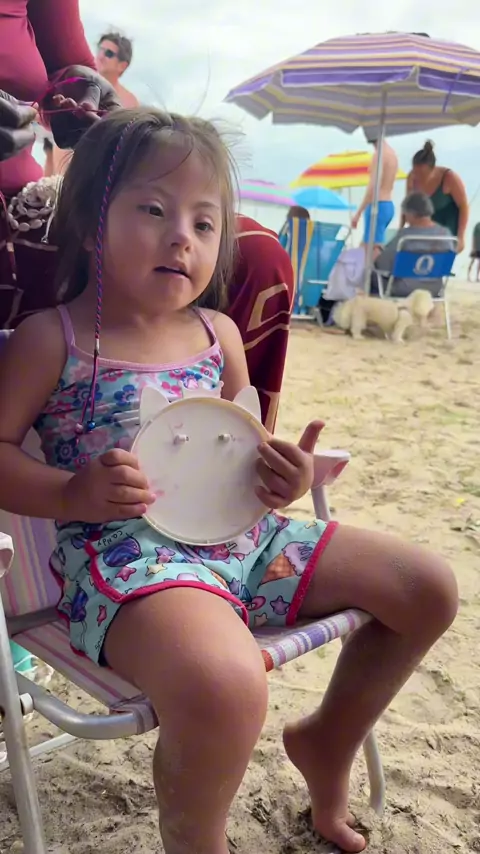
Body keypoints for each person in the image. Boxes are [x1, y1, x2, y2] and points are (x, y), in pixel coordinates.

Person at [0, 108, 458, 854]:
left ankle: (327, 741)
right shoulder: (52, 338)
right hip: (129, 562)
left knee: (426, 588)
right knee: (227, 684)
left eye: (205, 222)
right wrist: (68, 494)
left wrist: (284, 474)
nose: (182, 236)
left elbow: (245, 448)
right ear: (89, 225)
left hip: (248, 540)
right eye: (154, 210)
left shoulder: (219, 334)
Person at [375, 192, 456, 297]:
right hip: (434, 289)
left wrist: (378, 252)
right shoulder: (445, 234)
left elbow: (383, 266)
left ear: (411, 214)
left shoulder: (405, 236)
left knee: (371, 275)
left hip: (403, 289)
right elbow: (446, 265)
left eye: (405, 213)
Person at [404, 140, 468, 252]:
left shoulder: (449, 178)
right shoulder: (412, 178)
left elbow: (463, 206)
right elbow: (408, 206)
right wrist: (402, 229)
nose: (418, 177)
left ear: (433, 169)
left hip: (447, 228)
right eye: (415, 172)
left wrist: (461, 236)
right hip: (425, 229)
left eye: (422, 174)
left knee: (440, 259)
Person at [351, 138, 398, 252]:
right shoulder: (392, 154)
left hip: (377, 206)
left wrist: (358, 213)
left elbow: (373, 186)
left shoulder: (379, 155)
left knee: (370, 248)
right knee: (368, 246)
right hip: (388, 205)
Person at [96, 31, 139, 109]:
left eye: (108, 53)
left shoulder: (130, 103)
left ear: (122, 66)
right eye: (100, 50)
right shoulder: (81, 82)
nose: (100, 56)